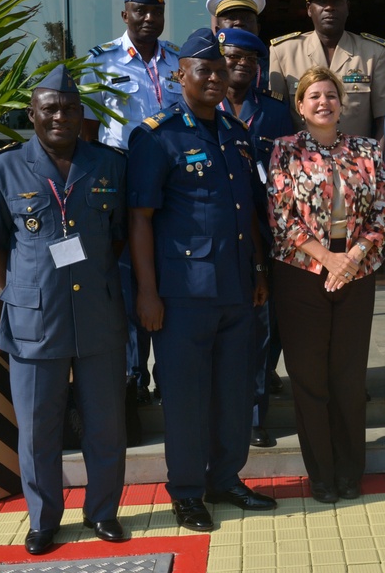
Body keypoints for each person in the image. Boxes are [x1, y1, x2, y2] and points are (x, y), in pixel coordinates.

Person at [127, 29, 276, 532]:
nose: (214, 77)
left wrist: (257, 269)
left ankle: (226, 479)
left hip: (236, 285)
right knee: (187, 398)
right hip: (183, 293)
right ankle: (187, 492)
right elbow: (140, 218)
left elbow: (247, 212)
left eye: (219, 69)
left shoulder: (235, 132)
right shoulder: (157, 135)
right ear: (180, 75)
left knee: (234, 392)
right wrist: (147, 293)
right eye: (203, 70)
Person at [0, 65, 129, 555]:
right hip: (34, 320)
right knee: (39, 427)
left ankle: (103, 511)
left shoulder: (109, 165)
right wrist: (21, 292)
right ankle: (43, 519)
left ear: (80, 113)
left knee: (105, 424)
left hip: (98, 316)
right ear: (33, 115)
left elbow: (119, 237)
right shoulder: (1, 168)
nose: (59, 116)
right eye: (49, 109)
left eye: (68, 108)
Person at [267, 66, 385, 504]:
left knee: (347, 377)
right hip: (301, 275)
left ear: (343, 103)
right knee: (309, 378)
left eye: (330, 95)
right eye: (313, 96)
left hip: (356, 274)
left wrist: (350, 260)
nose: (323, 102)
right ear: (299, 107)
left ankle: (348, 471)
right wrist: (327, 260)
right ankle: (321, 474)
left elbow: (381, 214)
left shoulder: (366, 150)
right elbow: (282, 218)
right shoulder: (284, 151)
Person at [80, 0, 182, 422]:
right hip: (121, 178)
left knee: (169, 274)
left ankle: (169, 374)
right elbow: (87, 131)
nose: (148, 19)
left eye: (155, 12)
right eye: (140, 12)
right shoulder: (100, 62)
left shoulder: (178, 60)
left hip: (173, 181)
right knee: (127, 282)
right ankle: (133, 377)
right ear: (125, 16)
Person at [216, 27, 293, 448]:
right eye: (231, 56)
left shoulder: (276, 112)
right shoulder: (206, 105)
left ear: (258, 66)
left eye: (248, 58)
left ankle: (255, 414)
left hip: (269, 232)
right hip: (222, 234)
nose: (239, 64)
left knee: (266, 327)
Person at [268, 0, 385, 137]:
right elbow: (275, 117)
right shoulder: (283, 52)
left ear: (348, 6)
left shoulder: (373, 53)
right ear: (309, 9)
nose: (329, 7)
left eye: (337, 1)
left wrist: (375, 159)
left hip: (357, 160)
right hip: (301, 159)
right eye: (322, 1)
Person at [207, 0, 270, 89]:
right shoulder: (207, 65)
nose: (239, 22)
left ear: (258, 29)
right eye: (231, 18)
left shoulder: (272, 66)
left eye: (246, 18)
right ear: (218, 30)